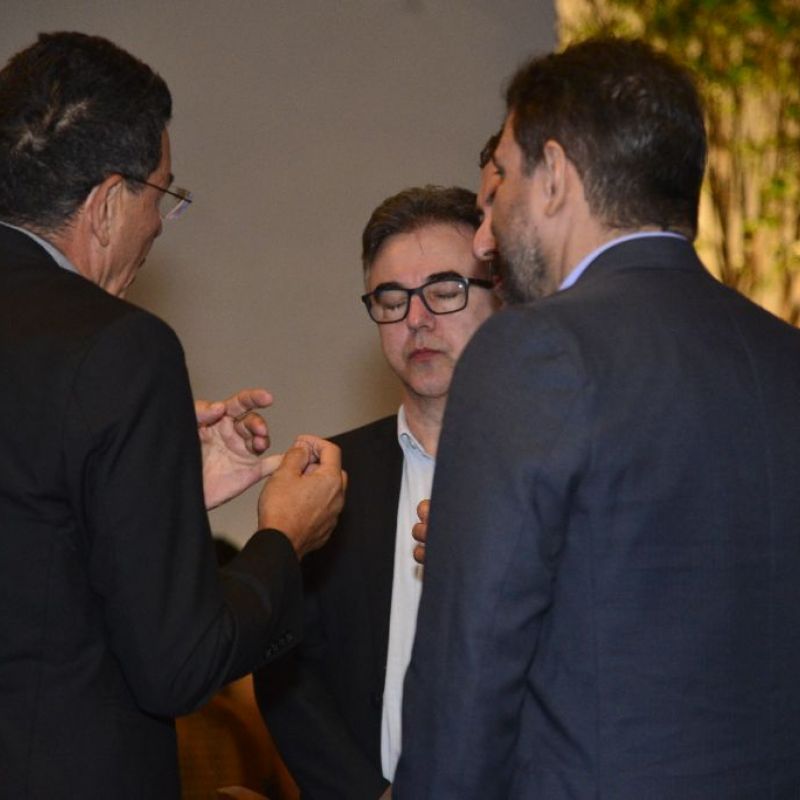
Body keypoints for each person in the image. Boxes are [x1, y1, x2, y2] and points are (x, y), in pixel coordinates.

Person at [395, 37, 800, 799]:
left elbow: (469, 671)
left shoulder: (533, 350)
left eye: (500, 181)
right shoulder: (785, 357)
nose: (484, 237)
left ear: (553, 177)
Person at [0, 31, 345, 798]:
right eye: (163, 194)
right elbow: (178, 666)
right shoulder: (119, 347)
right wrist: (283, 540)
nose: (159, 225)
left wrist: (155, 488)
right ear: (106, 204)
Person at [254, 185, 499, 798]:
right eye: (392, 299)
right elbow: (286, 670)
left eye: (445, 291)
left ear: (501, 296)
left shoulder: (562, 470)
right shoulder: (329, 481)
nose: (417, 319)